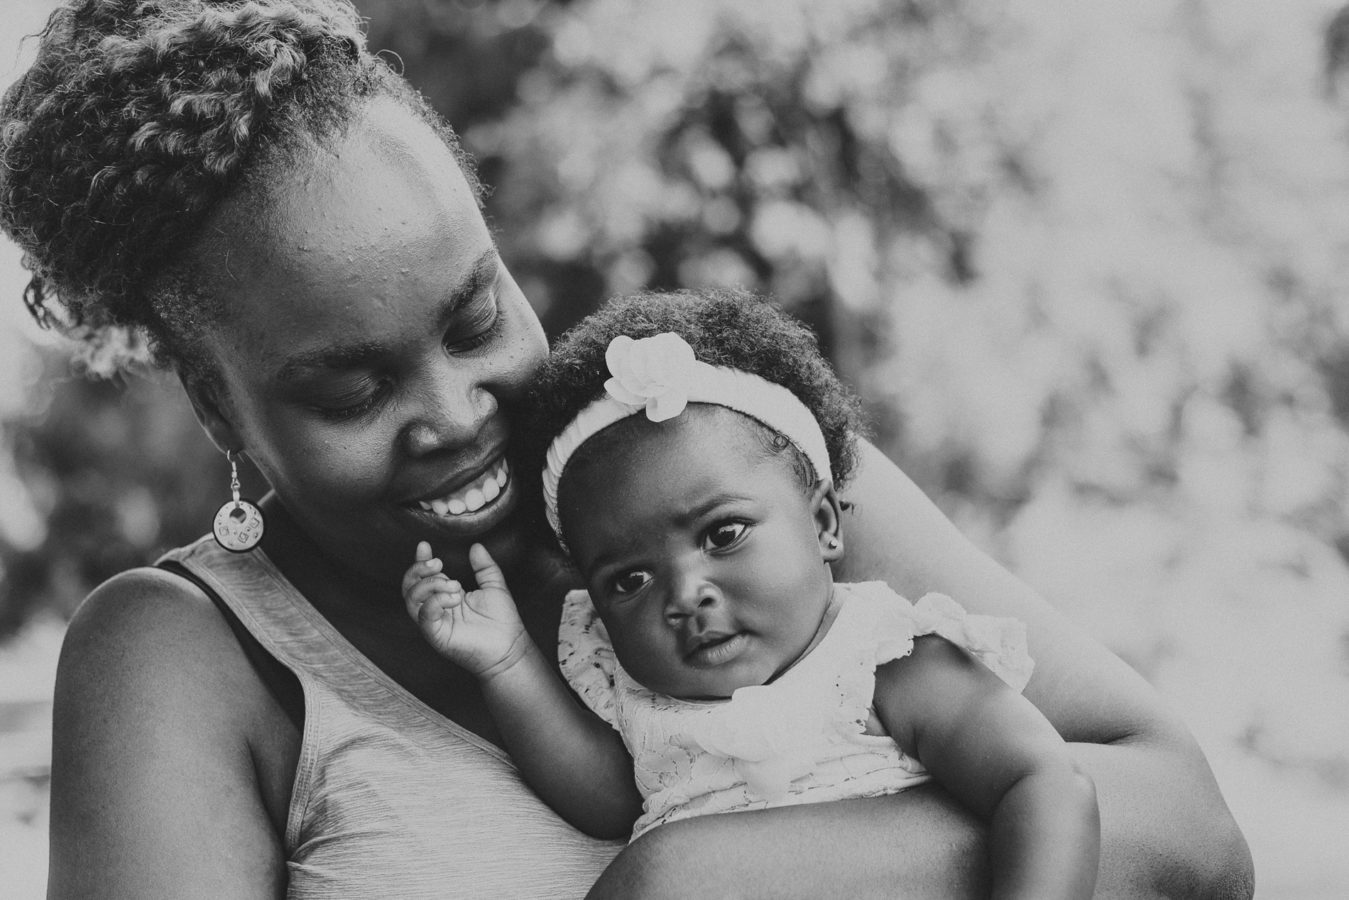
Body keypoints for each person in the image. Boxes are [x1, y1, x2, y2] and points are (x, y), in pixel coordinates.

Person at [0, 0, 1250, 897]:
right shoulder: (189, 657)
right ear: (222, 413)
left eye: (473, 316)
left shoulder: (712, 454)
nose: (461, 412)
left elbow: (1183, 824)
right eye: (351, 389)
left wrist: (699, 874)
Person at [403, 290, 1101, 898]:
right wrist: (506, 664)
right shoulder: (649, 709)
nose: (684, 594)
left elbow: (1041, 784)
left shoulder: (881, 659)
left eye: (724, 534)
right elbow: (607, 803)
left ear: (823, 522)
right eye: (629, 580)